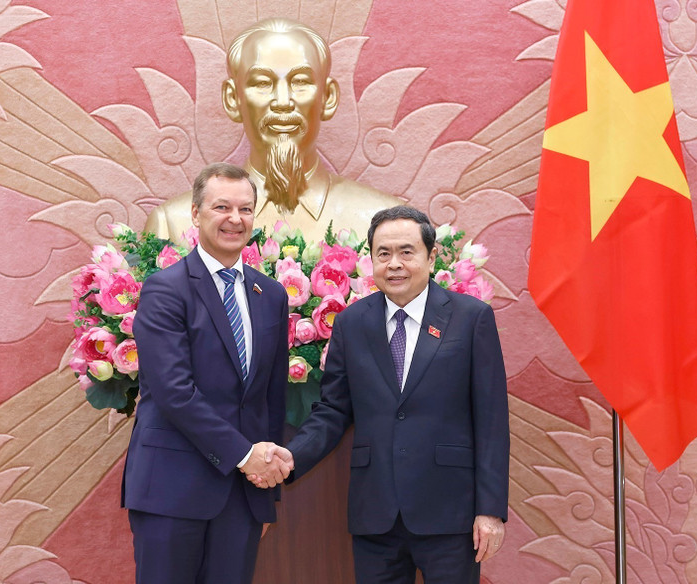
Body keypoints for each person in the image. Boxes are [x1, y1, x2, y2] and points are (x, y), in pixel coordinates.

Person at [258, 206, 510, 583]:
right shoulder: (351, 322)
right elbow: (333, 410)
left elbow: (491, 420)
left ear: (430, 256)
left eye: (407, 252)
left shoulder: (470, 318)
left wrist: (490, 510)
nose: (395, 264)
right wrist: (291, 457)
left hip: (450, 513)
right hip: (376, 513)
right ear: (370, 259)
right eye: (383, 253)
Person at [122, 163, 293, 584]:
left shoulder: (269, 294)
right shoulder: (166, 288)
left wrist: (264, 488)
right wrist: (245, 455)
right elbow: (173, 391)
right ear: (196, 214)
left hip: (241, 496)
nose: (235, 219)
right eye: (222, 207)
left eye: (246, 209)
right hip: (171, 488)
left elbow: (271, 396)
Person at [145, 18, 402, 244]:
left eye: (300, 81)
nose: (282, 101)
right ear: (233, 99)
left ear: (328, 97)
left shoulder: (388, 223)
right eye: (262, 83)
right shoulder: (174, 226)